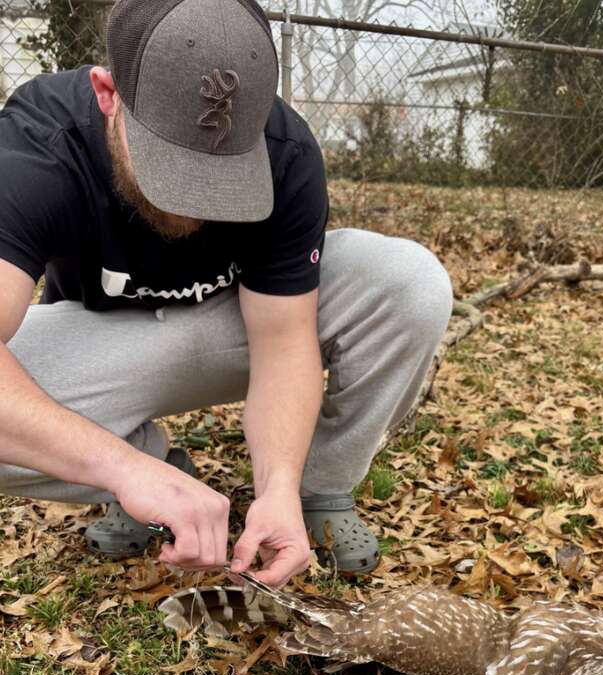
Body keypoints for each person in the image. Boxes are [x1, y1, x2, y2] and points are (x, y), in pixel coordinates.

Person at [0, 0, 453, 585]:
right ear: (108, 94)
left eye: (224, 172)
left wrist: (279, 486)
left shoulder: (286, 150)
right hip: (108, 341)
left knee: (408, 281)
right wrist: (124, 468)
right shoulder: (37, 144)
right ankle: (150, 463)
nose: (195, 201)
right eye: (169, 162)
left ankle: (316, 490)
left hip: (231, 321)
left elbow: (284, 342)